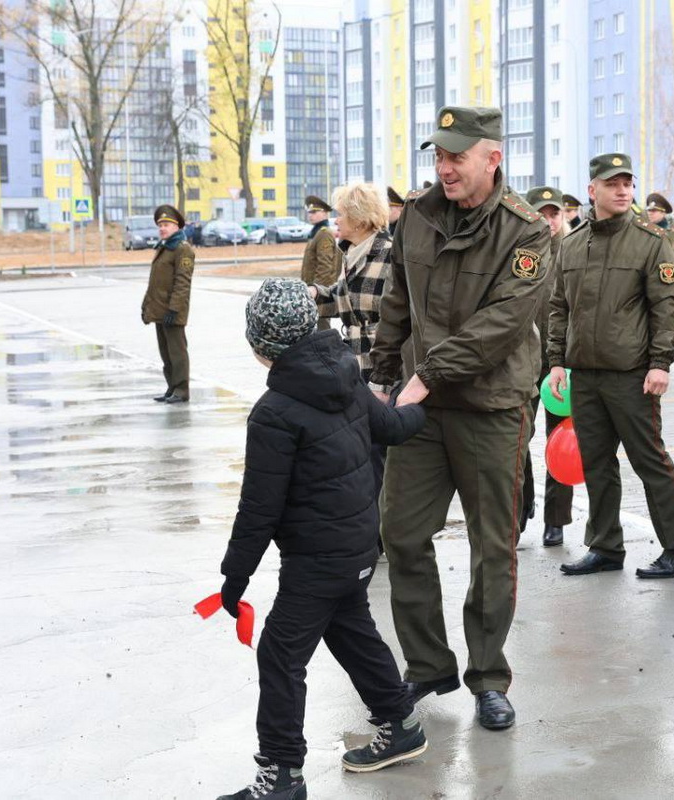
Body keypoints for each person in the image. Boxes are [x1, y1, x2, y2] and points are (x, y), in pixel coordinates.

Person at [369, 105, 551, 732]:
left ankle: (488, 676)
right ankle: (427, 664)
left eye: (456, 156)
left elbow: (500, 325)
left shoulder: (527, 231)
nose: (444, 167)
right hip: (421, 406)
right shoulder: (418, 215)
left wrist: (425, 374)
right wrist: (381, 370)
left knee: (491, 547)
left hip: (491, 407)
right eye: (438, 155)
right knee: (401, 533)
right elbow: (400, 296)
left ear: (491, 158)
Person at [215, 279, 429, 800]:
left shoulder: (274, 412)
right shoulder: (346, 375)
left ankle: (282, 774)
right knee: (349, 628)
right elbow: (393, 428)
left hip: (317, 558)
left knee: (280, 654)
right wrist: (420, 402)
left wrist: (234, 576)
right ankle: (399, 724)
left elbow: (259, 508)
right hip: (357, 544)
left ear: (260, 345)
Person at [548, 153, 674, 579]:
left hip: (633, 374)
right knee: (595, 463)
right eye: (612, 184)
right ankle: (605, 547)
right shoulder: (572, 244)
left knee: (650, 461)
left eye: (627, 184)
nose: (622, 191)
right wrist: (556, 361)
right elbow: (559, 307)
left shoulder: (651, 241)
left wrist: (660, 363)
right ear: (592, 189)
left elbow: (667, 307)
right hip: (585, 374)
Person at [309, 183, 396, 515]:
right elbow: (342, 298)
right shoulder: (352, 252)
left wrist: (384, 382)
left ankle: (383, 532)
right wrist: (316, 294)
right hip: (357, 366)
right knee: (363, 453)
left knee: (378, 454)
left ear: (360, 218)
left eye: (341, 214)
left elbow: (397, 318)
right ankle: (371, 529)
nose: (336, 220)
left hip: (384, 368)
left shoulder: (389, 253)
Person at [520, 185, 575, 546]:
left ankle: (556, 518)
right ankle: (520, 507)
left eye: (554, 213)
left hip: (562, 364)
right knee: (515, 438)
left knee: (562, 440)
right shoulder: (519, 254)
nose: (549, 219)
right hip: (522, 364)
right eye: (541, 212)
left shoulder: (573, 252)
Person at [141, 204, 194, 404]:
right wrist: (146, 305)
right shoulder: (164, 248)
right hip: (160, 311)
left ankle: (181, 390)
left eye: (166, 224)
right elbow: (155, 283)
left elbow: (183, 282)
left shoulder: (182, 249)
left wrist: (174, 308)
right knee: (166, 353)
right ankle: (172, 387)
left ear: (177, 227)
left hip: (173, 311)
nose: (162, 228)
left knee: (177, 352)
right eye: (160, 224)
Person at [647, 191, 674, 316]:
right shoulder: (646, 230)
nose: (650, 214)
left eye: (654, 211)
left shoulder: (672, 229)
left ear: (663, 213)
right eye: (649, 211)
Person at [302, 196, 343, 330]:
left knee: (321, 329)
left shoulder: (324, 234)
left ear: (325, 213)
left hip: (319, 290)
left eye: (314, 212)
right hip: (312, 289)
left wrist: (318, 291)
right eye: (309, 212)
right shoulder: (317, 232)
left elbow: (325, 266)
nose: (311, 215)